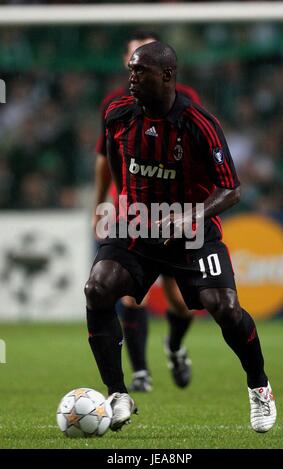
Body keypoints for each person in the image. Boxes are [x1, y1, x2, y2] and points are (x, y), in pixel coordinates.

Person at [85, 41, 277, 433]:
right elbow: (118, 165)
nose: (131, 77)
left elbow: (231, 189)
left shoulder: (199, 123)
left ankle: (259, 385)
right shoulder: (117, 114)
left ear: (168, 76)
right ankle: (118, 392)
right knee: (97, 288)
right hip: (137, 226)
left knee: (224, 307)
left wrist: (191, 215)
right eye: (130, 70)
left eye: (140, 71)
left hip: (193, 234)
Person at [93, 31, 202, 393]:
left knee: (179, 301)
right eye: (132, 59)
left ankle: (174, 347)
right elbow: (104, 159)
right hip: (134, 213)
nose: (136, 67)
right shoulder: (116, 106)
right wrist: (103, 202)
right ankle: (139, 373)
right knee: (125, 292)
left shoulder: (188, 104)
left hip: (174, 216)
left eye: (143, 59)